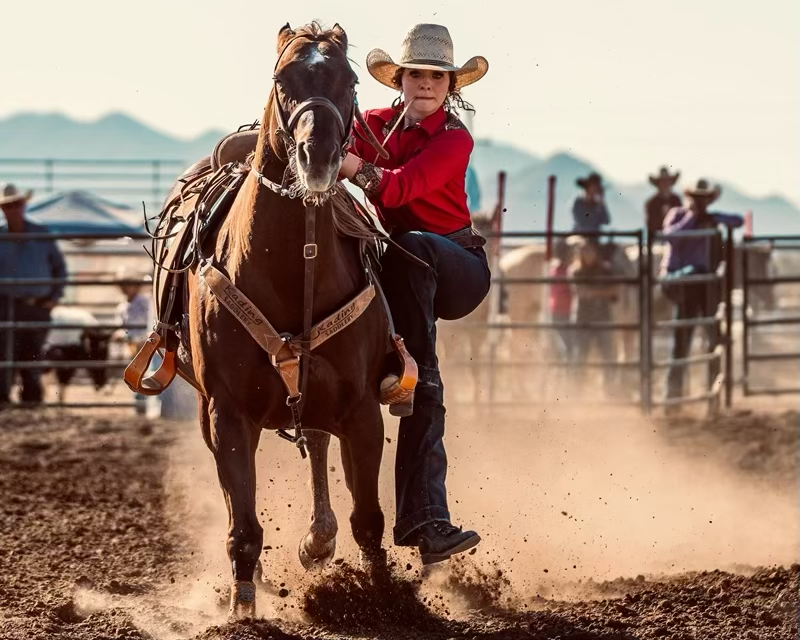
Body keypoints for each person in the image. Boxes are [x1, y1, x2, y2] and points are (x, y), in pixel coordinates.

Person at [339, 23, 489, 564]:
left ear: (451, 85)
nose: (426, 82)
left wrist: (350, 165)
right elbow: (325, 147)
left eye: (437, 75)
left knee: (412, 244)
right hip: (402, 265)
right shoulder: (372, 124)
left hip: (456, 267)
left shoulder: (454, 138)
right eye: (416, 73)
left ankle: (415, 367)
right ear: (399, 79)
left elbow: (400, 187)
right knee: (377, 252)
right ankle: (425, 523)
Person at [660, 179, 743, 408]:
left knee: (708, 339)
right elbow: (671, 237)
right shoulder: (678, 215)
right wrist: (694, 216)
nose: (700, 202)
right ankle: (673, 399)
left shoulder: (710, 219)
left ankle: (710, 395)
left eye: (704, 199)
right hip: (682, 281)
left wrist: (714, 217)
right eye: (697, 198)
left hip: (700, 283)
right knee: (681, 343)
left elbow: (737, 221)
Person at [0, 184, 67, 407]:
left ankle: (31, 400)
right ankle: (3, 400)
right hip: (5, 305)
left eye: (16, 204)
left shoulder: (41, 233)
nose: (13, 209)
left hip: (36, 306)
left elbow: (59, 267)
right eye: (8, 206)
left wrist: (53, 298)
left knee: (33, 353)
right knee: (4, 354)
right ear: (3, 209)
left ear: (23, 205)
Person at [568, 236, 618, 392]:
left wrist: (593, 292)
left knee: (607, 356)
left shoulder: (605, 270)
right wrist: (603, 292)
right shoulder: (576, 271)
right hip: (584, 319)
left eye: (590, 251)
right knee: (580, 357)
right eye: (585, 251)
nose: (588, 254)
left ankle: (609, 390)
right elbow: (581, 292)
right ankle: (577, 390)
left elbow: (614, 292)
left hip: (601, 318)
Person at [548, 240, 573, 362]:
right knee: (567, 345)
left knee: (564, 344)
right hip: (563, 312)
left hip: (557, 311)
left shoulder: (554, 270)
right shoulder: (565, 271)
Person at [645, 166, 681, 236]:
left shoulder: (676, 200)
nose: (665, 183)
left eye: (667, 180)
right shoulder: (652, 203)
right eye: (663, 181)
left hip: (675, 236)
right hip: (658, 237)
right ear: (658, 183)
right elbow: (651, 225)